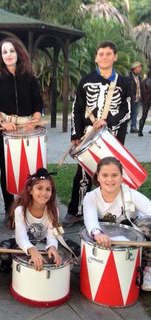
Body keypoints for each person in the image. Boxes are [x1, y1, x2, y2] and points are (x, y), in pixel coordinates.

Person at [63, 40, 131, 227]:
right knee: (83, 174)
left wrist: (108, 122)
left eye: (108, 54)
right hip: (88, 136)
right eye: (101, 54)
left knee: (110, 175)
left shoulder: (125, 82)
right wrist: (75, 135)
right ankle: (76, 211)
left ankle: (108, 212)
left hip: (113, 137)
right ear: (95, 58)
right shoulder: (85, 81)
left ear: (115, 57)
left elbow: (128, 111)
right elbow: (77, 109)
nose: (104, 57)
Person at [0, 37, 43, 216]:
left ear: (18, 53)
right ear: (0, 56)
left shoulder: (29, 77)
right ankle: (10, 209)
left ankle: (30, 208)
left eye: (11, 51)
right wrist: (3, 123)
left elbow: (37, 101)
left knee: (31, 170)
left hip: (27, 129)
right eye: (4, 52)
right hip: (4, 131)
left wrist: (36, 118)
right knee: (8, 171)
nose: (8, 55)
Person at [83, 156, 151, 291]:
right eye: (105, 175)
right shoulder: (91, 197)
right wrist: (97, 233)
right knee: (88, 235)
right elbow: (90, 219)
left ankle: (147, 268)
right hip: (105, 235)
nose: (110, 179)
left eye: (114, 175)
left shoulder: (131, 194)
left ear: (121, 177)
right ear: (98, 177)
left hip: (131, 233)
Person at [0, 168, 62, 273]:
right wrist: (33, 251)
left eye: (48, 189)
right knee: (2, 250)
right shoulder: (20, 210)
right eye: (39, 188)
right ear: (30, 190)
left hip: (42, 241)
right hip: (22, 241)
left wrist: (52, 247)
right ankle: (9, 261)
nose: (44, 193)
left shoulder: (53, 211)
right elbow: (21, 237)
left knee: (73, 249)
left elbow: (51, 236)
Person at [128, 61, 143, 133]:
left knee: (135, 113)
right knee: (128, 113)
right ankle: (124, 128)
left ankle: (133, 127)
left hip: (138, 98)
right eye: (139, 67)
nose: (140, 69)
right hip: (130, 99)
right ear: (134, 69)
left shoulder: (140, 77)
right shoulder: (128, 77)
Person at [139, 69, 151, 136]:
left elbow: (141, 92)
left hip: (145, 101)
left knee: (144, 116)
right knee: (144, 116)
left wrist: (142, 100)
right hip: (148, 100)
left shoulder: (143, 82)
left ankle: (140, 131)